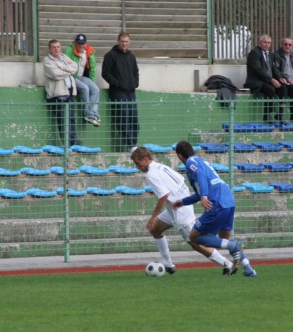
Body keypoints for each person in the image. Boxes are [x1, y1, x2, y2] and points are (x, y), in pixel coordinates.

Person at [130, 147, 237, 275]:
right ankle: (168, 264)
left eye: (138, 163)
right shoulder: (161, 166)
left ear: (146, 159)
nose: (137, 167)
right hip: (177, 205)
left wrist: (153, 217)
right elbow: (181, 180)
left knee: (195, 242)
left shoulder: (151, 174)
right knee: (155, 229)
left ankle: (227, 264)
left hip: (179, 211)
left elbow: (164, 195)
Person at [171, 141, 257, 277]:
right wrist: (182, 202)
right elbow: (199, 193)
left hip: (216, 202)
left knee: (194, 237)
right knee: (225, 237)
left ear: (180, 156)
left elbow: (200, 177)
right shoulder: (201, 161)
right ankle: (248, 269)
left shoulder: (190, 163)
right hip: (228, 198)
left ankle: (234, 247)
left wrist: (205, 196)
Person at [102, 32, 139, 152]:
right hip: (118, 93)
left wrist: (135, 83)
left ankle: (134, 144)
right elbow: (105, 73)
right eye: (122, 41)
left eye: (126, 41)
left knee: (134, 119)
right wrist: (117, 84)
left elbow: (135, 71)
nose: (124, 44)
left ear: (130, 42)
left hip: (131, 92)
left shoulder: (131, 56)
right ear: (118, 41)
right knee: (123, 118)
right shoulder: (110, 55)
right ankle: (129, 145)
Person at [43, 39, 81, 146]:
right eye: (54, 47)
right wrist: (68, 72)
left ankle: (73, 143)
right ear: (50, 49)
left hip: (69, 93)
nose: (56, 49)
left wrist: (63, 69)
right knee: (63, 121)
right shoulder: (47, 61)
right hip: (58, 95)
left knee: (72, 119)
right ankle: (67, 144)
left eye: (58, 47)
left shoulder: (64, 57)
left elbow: (75, 66)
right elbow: (55, 74)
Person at [244, 34, 284, 123]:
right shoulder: (254, 53)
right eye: (265, 42)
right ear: (260, 43)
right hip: (256, 81)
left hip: (267, 80)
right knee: (270, 89)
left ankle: (280, 114)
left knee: (283, 87)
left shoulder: (270, 54)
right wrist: (271, 80)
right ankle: (267, 115)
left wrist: (279, 78)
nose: (267, 45)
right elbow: (258, 69)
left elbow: (274, 69)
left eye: (269, 43)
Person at [65, 34, 101, 127]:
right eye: (79, 43)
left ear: (86, 43)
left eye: (83, 43)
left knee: (95, 89)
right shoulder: (69, 50)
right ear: (75, 43)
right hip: (72, 76)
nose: (81, 45)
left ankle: (93, 114)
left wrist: (92, 80)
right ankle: (87, 114)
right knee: (85, 88)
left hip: (82, 77)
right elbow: (66, 64)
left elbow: (92, 68)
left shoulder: (89, 51)